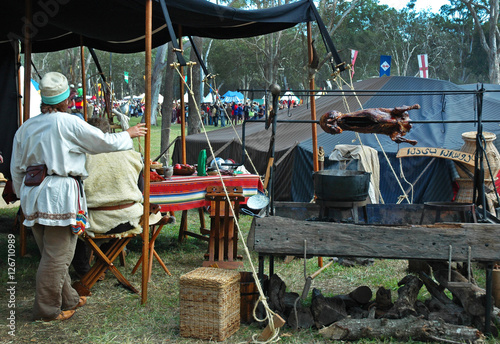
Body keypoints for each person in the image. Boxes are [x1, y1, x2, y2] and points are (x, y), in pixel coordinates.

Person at [10, 72, 147, 322]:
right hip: (58, 194)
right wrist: (129, 133)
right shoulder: (68, 122)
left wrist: (23, 198)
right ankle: (47, 310)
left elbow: (16, 168)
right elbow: (102, 142)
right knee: (58, 258)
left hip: (33, 194)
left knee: (52, 254)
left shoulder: (26, 127)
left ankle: (69, 299)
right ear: (65, 100)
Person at [72, 117, 144, 277]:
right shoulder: (132, 155)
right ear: (109, 132)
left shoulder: (80, 157)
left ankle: (86, 271)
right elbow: (141, 190)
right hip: (128, 219)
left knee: (69, 228)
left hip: (94, 221)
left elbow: (75, 193)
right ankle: (102, 264)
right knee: (111, 225)